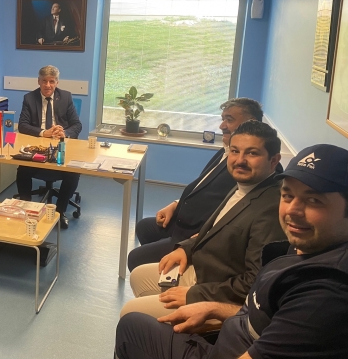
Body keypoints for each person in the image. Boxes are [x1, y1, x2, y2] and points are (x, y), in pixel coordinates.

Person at [115, 144, 348, 359]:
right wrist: (214, 308)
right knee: (133, 324)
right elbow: (263, 316)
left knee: (132, 326)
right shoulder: (304, 246)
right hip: (229, 328)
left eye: (314, 200)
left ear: (273, 160)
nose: (292, 210)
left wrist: (199, 295)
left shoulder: (325, 293)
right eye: (288, 196)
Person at [120, 121, 286, 318]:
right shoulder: (244, 186)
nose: (240, 160)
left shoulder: (271, 209)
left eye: (252, 153)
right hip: (205, 269)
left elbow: (254, 282)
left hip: (217, 290)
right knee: (138, 276)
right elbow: (215, 228)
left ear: (274, 161)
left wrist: (195, 294)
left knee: (130, 312)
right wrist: (187, 248)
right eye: (235, 151)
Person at [128, 98, 264, 272]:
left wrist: (197, 240)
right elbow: (202, 186)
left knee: (136, 258)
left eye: (229, 120)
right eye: (223, 119)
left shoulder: (248, 166)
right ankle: (164, 272)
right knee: (144, 227)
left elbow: (235, 212)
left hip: (197, 234)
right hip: (185, 221)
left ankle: (164, 272)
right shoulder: (225, 151)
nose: (222, 125)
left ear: (250, 123)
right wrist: (176, 205)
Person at [16, 65, 82, 229]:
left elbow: (77, 124)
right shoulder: (29, 98)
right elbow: (23, 125)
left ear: (57, 83)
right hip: (38, 148)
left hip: (60, 148)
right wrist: (43, 132)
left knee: (73, 172)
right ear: (38, 81)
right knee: (22, 169)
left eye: (51, 81)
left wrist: (64, 133)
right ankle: (26, 209)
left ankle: (60, 211)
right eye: (44, 81)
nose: (48, 85)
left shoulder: (66, 97)